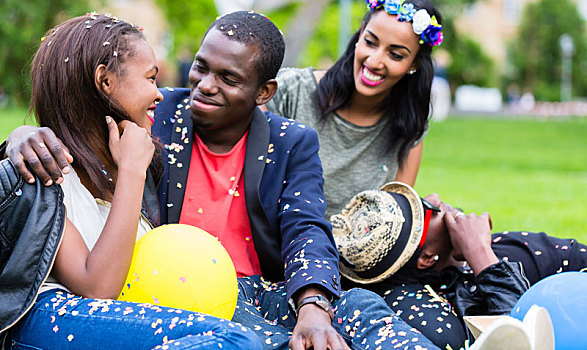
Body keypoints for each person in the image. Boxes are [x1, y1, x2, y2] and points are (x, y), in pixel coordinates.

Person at [2, 11, 439, 350]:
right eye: (199, 68)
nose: (203, 87)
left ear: (264, 92)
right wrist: (19, 137)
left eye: (228, 78)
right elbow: (71, 124)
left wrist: (313, 304)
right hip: (175, 287)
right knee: (249, 336)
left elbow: (307, 227)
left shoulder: (290, 142)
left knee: (361, 308)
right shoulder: (152, 119)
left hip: (251, 284)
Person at [0, 13, 262, 350]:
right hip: (52, 316)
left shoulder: (125, 161)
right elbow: (97, 288)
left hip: (116, 315)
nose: (159, 95)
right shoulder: (44, 172)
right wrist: (132, 173)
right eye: (150, 78)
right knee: (232, 340)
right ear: (104, 82)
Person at [330, 181, 587, 349]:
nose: (436, 197)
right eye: (427, 209)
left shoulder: (505, 247)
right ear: (427, 257)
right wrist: (481, 256)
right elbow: (521, 338)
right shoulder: (424, 314)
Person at [263, 0, 443, 218]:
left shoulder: (409, 127)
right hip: (273, 240)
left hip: (354, 250)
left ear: (414, 64)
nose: (375, 61)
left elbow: (395, 221)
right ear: (359, 38)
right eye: (370, 42)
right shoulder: (291, 91)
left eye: (395, 55)